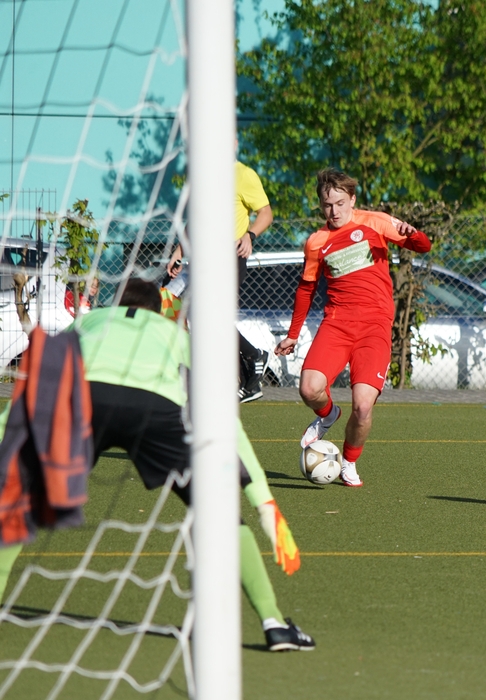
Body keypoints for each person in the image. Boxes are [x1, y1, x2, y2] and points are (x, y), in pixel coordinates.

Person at [0, 279, 314, 652]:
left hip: (85, 399)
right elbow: (221, 417)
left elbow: (40, 380)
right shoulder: (173, 334)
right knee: (218, 514)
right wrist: (264, 502)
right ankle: (273, 623)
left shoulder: (88, 322)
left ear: (114, 305)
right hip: (154, 407)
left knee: (20, 504)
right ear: (159, 311)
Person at [275, 169, 431, 487]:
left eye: (340, 203)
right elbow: (306, 289)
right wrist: (293, 334)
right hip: (337, 323)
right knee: (309, 389)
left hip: (374, 326)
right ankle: (328, 414)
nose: (334, 211)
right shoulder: (316, 242)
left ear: (352, 200)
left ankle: (348, 462)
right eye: (327, 205)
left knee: (362, 407)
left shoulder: (376, 222)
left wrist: (412, 234)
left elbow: (423, 247)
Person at [235, 148, 274, 403]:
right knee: (202, 320)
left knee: (212, 318)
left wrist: (250, 235)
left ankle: (254, 356)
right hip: (203, 258)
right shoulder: (201, 174)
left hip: (230, 255)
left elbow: (266, 213)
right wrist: (178, 252)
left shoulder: (242, 174)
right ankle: (247, 377)